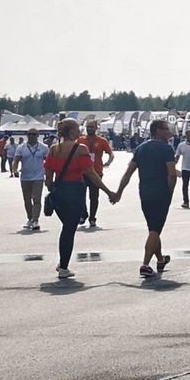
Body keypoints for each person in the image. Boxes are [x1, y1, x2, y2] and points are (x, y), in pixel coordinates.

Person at [44, 118, 120, 280]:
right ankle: (63, 267)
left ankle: (63, 264)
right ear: (71, 131)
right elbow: (91, 174)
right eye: (78, 129)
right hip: (74, 192)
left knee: (67, 227)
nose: (81, 132)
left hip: (59, 192)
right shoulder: (81, 149)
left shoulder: (53, 149)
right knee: (69, 230)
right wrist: (108, 192)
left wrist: (53, 190)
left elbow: (48, 176)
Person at [113, 118, 180, 279]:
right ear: (157, 130)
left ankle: (161, 259)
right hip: (161, 193)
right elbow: (172, 173)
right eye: (166, 129)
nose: (169, 132)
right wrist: (170, 191)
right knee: (155, 229)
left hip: (145, 193)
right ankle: (145, 264)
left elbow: (128, 173)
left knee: (153, 228)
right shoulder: (166, 148)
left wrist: (119, 192)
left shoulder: (141, 148)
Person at [81, 120, 116, 230]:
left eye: (92, 127)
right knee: (80, 195)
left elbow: (111, 154)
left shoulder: (101, 141)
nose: (89, 128)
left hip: (96, 172)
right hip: (83, 172)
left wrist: (108, 162)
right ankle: (83, 214)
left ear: (96, 128)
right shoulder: (81, 140)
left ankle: (92, 218)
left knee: (94, 196)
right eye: (88, 127)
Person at [14, 132, 51, 232]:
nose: (31, 136)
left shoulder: (44, 147)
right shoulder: (21, 147)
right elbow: (16, 160)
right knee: (27, 200)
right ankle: (30, 218)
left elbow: (48, 162)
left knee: (36, 199)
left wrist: (48, 176)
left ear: (38, 135)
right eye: (29, 134)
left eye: (34, 134)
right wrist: (14, 170)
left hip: (38, 176)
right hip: (25, 177)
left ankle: (35, 220)